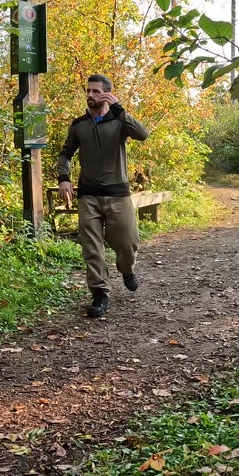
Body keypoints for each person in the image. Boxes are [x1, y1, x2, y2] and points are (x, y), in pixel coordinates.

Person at [56, 74, 150, 318]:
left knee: (128, 244)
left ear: (107, 94)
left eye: (96, 91)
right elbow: (65, 154)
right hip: (88, 196)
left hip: (118, 194)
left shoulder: (119, 121)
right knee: (92, 247)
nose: (90, 95)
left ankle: (127, 269)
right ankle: (100, 294)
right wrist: (63, 178)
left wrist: (119, 107)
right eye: (88, 91)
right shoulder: (79, 125)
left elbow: (143, 134)